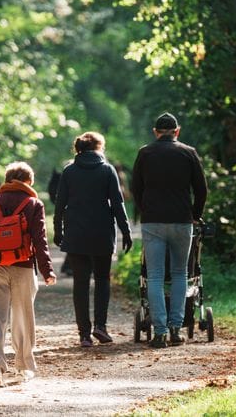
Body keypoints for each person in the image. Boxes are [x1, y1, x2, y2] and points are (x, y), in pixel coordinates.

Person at [0, 161, 56, 388]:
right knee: (22, 317)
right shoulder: (33, 204)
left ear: (7, 180)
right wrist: (47, 270)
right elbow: (40, 241)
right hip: (23, 268)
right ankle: (23, 367)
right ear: (28, 181)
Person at [131, 112, 208, 348]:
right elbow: (202, 190)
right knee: (179, 274)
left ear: (156, 132)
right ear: (177, 131)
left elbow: (136, 188)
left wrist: (146, 210)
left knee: (153, 276)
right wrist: (194, 215)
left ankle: (160, 332)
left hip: (153, 221)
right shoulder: (188, 153)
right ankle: (176, 329)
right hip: (181, 222)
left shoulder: (145, 153)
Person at [53, 132, 132, 347]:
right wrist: (125, 231)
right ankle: (101, 326)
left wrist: (57, 230)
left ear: (78, 149)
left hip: (76, 233)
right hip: (102, 233)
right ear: (99, 147)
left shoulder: (69, 171)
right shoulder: (107, 170)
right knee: (102, 279)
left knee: (80, 283)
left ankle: (84, 334)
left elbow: (60, 203)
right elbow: (117, 203)